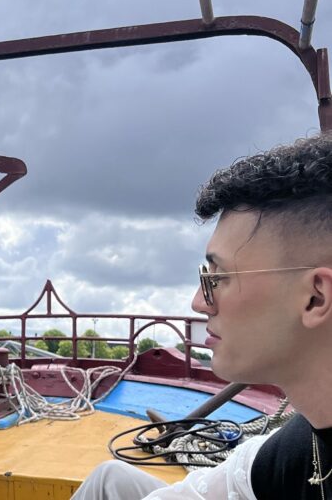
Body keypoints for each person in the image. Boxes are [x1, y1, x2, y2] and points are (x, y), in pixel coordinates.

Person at [72, 133, 332, 499]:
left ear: (315, 298)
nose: (199, 302)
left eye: (217, 279)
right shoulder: (300, 444)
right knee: (110, 481)